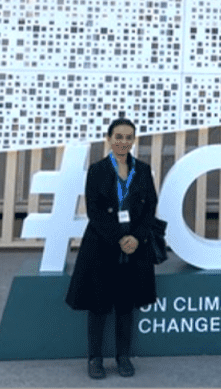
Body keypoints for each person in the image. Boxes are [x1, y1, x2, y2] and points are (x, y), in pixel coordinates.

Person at [66, 117, 159, 379]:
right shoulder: (97, 170)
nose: (123, 142)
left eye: (128, 137)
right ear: (109, 139)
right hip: (102, 246)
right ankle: (95, 359)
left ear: (133, 141)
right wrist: (119, 238)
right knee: (98, 304)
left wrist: (136, 238)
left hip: (134, 247)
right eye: (118, 137)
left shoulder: (142, 170)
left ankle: (123, 357)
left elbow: (150, 208)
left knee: (126, 305)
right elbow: (94, 211)